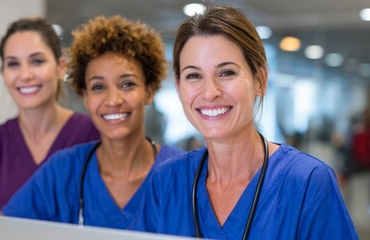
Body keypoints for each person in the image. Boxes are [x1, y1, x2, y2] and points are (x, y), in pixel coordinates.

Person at [131, 5, 359, 239]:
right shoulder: (166, 182)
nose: (210, 92)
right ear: (179, 87)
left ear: (260, 80)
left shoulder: (308, 182)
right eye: (193, 75)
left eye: (227, 72)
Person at [0, 15, 185, 239]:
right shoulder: (63, 169)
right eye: (97, 87)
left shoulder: (183, 173)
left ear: (150, 91)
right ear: (84, 97)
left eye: (127, 84)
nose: (113, 99)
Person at [0, 17, 100, 239]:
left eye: (37, 61)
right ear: (4, 73)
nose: (25, 75)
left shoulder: (92, 135)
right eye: (13, 63)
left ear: (61, 66)